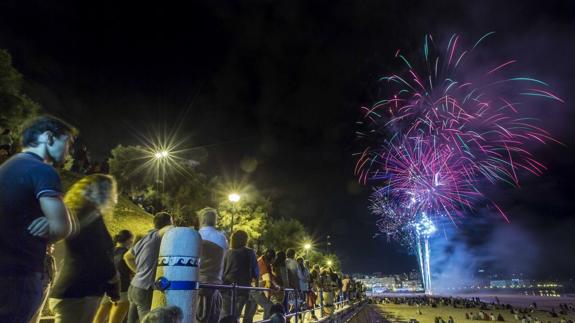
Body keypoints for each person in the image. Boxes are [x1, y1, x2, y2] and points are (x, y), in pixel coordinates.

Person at [0, 115, 76, 322]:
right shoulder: (42, 170)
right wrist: (54, 222)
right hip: (21, 274)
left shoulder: (7, 168)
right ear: (48, 137)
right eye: (67, 142)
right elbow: (62, 227)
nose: (69, 150)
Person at [49, 174, 120, 323]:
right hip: (80, 293)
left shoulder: (77, 213)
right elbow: (98, 254)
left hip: (70, 290)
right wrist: (113, 278)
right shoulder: (90, 217)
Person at [125, 212, 173, 323]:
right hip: (144, 289)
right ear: (168, 223)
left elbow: (127, 257)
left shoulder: (146, 237)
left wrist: (139, 271)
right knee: (147, 320)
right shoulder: (158, 236)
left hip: (133, 286)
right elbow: (167, 229)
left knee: (131, 320)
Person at [94, 229, 135, 323]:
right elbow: (132, 272)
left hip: (107, 289)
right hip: (122, 290)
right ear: (129, 240)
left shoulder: (110, 252)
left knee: (98, 319)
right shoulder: (128, 254)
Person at [196, 207, 228, 323]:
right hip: (214, 283)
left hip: (196, 283)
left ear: (201, 219)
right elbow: (224, 260)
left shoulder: (196, 235)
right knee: (212, 317)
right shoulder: (221, 238)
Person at [220, 230, 258, 322]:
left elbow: (222, 271)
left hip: (226, 288)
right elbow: (255, 272)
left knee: (225, 315)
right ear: (245, 240)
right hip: (242, 289)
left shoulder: (227, 253)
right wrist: (256, 287)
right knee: (236, 315)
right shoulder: (250, 252)